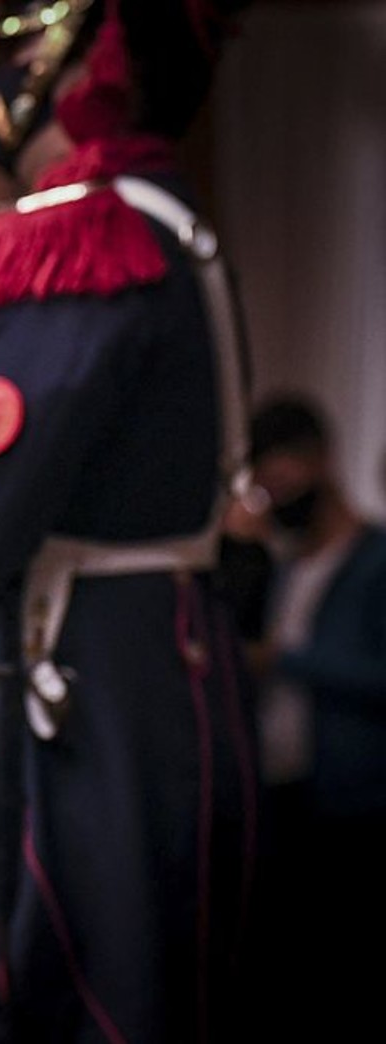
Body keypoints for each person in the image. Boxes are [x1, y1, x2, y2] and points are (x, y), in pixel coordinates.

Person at [0, 1, 262, 1041]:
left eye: (27, 43)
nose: (4, 65)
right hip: (164, 652)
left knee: (54, 981)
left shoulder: (83, 230)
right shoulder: (167, 212)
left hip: (75, 665)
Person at [241, 393, 386, 1039]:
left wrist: (286, 660)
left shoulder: (374, 560)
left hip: (355, 805)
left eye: (284, 480)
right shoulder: (281, 567)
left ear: (319, 461)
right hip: (280, 790)